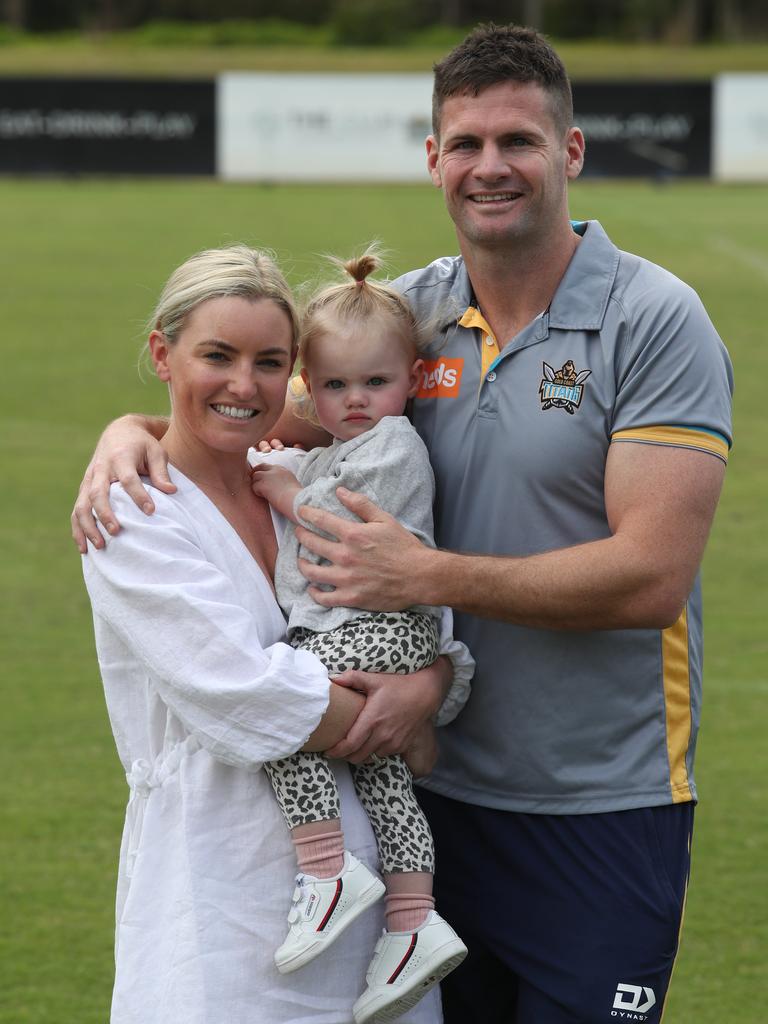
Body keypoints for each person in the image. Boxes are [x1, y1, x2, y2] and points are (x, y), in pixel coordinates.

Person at [72, 24, 734, 1024]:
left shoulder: (653, 319)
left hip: (596, 804)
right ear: (433, 161)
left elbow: (647, 577)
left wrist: (425, 576)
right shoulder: (404, 319)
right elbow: (242, 409)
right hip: (429, 797)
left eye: (518, 140)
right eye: (465, 144)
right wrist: (126, 430)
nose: (490, 166)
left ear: (572, 151)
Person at [79, 243, 460, 1024]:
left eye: (268, 361)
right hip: (224, 900)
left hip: (377, 919)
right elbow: (243, 695)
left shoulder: (307, 471)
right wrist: (404, 725)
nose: (243, 384)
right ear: (163, 353)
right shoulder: (134, 516)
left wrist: (432, 684)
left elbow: (416, 601)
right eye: (216, 355)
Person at [253, 247, 469, 1023]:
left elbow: (342, 527)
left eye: (375, 383)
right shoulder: (349, 443)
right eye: (335, 386)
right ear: (310, 386)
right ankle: (412, 922)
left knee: (280, 713)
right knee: (384, 780)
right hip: (385, 635)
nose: (356, 401)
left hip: (376, 629)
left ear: (413, 379)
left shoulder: (394, 445)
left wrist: (286, 487)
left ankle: (327, 869)